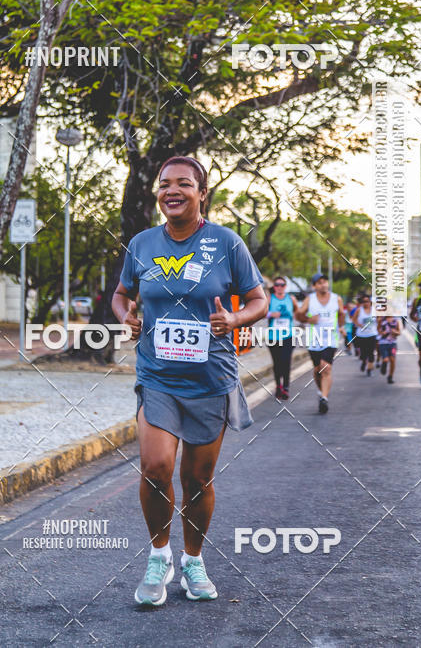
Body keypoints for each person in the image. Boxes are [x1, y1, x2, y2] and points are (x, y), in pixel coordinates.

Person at [112, 156, 267, 606]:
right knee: (156, 467)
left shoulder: (226, 243)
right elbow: (121, 294)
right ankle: (159, 557)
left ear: (202, 193)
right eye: (164, 184)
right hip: (158, 376)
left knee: (198, 479)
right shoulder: (141, 244)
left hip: (211, 379)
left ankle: (193, 560)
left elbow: (258, 300)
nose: (171, 191)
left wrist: (233, 318)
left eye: (183, 184)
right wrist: (128, 317)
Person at [297, 273, 346, 414]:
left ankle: (324, 398)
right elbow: (299, 315)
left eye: (324, 281)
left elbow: (342, 314)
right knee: (317, 369)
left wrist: (341, 327)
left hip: (331, 339)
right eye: (319, 283)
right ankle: (320, 391)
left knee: (326, 367)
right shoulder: (309, 300)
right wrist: (308, 319)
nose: (323, 284)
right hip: (314, 340)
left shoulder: (337, 299)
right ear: (314, 286)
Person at [266, 275, 299, 399]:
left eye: (282, 285)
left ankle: (285, 387)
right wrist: (271, 314)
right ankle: (278, 386)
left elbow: (298, 312)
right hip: (273, 336)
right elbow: (261, 312)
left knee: (286, 362)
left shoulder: (291, 299)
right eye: (277, 285)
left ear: (285, 287)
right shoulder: (270, 299)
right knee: (277, 363)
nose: (279, 287)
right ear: (274, 287)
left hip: (288, 336)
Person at [353, 295, 377, 377]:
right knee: (363, 353)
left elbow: (379, 319)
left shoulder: (374, 310)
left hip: (372, 334)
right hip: (361, 335)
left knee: (371, 353)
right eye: (364, 302)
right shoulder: (359, 310)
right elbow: (354, 319)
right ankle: (364, 362)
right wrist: (359, 325)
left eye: (367, 301)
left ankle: (369, 369)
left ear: (370, 302)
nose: (366, 303)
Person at [377, 316, 401, 383]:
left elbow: (399, 332)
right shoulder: (381, 320)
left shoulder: (396, 321)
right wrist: (382, 333)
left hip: (392, 343)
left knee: (392, 360)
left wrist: (395, 332)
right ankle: (383, 366)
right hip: (383, 343)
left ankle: (390, 376)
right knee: (386, 359)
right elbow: (378, 329)